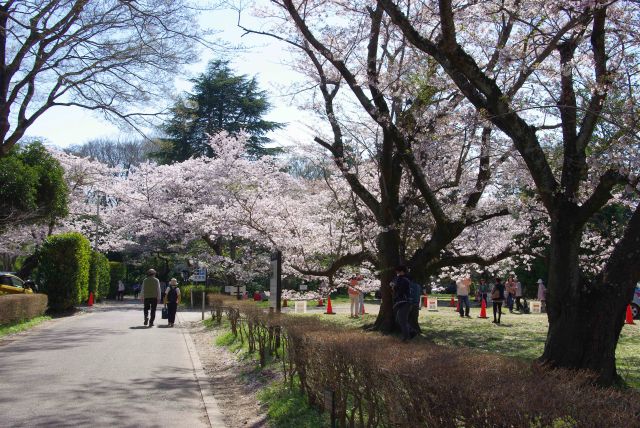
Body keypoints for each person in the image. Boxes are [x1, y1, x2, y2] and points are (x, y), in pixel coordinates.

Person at [392, 265, 412, 341]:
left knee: (402, 320)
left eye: (398, 271)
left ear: (401, 271)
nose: (396, 273)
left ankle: (406, 338)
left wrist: (394, 288)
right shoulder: (401, 279)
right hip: (402, 301)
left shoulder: (404, 279)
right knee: (399, 319)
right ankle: (411, 332)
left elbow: (401, 291)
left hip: (405, 301)